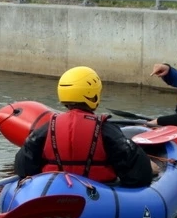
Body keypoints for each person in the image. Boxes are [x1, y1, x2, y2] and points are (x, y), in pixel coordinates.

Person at [14, 66, 156, 187]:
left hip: (53, 189)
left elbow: (23, 166)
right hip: (99, 193)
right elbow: (139, 175)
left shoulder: (46, 128)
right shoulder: (106, 130)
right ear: (93, 95)